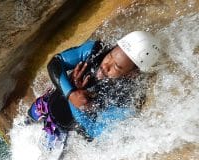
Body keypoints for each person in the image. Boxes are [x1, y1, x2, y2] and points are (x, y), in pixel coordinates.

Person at [27, 31, 161, 149]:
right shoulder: (95, 50)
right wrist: (71, 93)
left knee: (43, 156)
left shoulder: (128, 98)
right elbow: (56, 62)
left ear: (132, 74)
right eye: (111, 56)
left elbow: (94, 132)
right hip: (49, 102)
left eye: (117, 67)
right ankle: (29, 120)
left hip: (67, 131)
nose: (106, 65)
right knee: (26, 120)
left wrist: (80, 105)